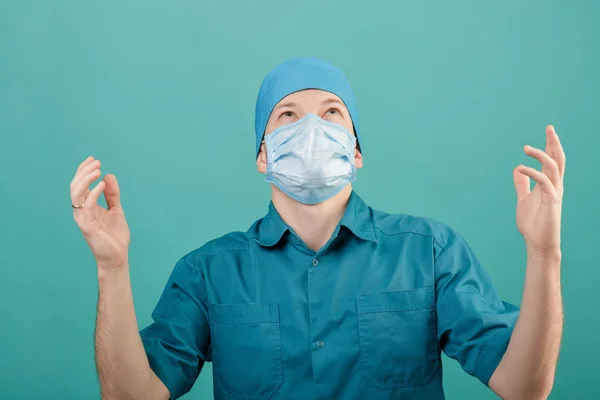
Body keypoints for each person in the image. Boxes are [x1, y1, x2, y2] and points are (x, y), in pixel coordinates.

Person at [70, 57, 565, 400]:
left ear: (356, 151)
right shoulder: (208, 273)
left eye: (332, 113)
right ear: (263, 155)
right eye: (287, 115)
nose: (311, 130)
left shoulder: (430, 253)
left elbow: (525, 389)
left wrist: (545, 253)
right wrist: (111, 268)